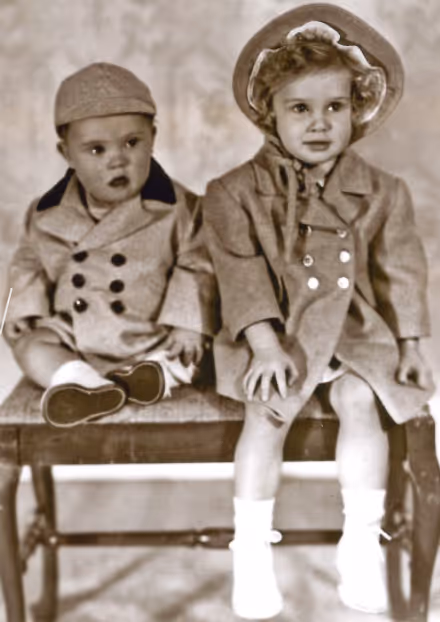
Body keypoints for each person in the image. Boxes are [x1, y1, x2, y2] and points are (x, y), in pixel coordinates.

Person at [203, 5, 435, 619]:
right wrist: (265, 345)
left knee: (361, 401)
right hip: (273, 332)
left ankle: (361, 541)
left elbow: (402, 271)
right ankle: (251, 549)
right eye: (299, 109)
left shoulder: (384, 191)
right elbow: (240, 271)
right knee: (269, 407)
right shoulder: (233, 192)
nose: (318, 124)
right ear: (270, 114)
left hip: (355, 331)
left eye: (334, 107)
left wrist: (411, 345)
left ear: (356, 109)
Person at [4, 62, 216, 428]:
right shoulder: (45, 212)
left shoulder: (180, 207)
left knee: (188, 356)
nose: (117, 159)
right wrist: (23, 308)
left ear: (153, 136)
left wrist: (187, 324)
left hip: (153, 333)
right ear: (67, 153)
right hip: (74, 333)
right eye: (96, 150)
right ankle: (81, 383)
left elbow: (199, 263)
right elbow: (29, 261)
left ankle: (155, 377)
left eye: (132, 143)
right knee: (31, 346)